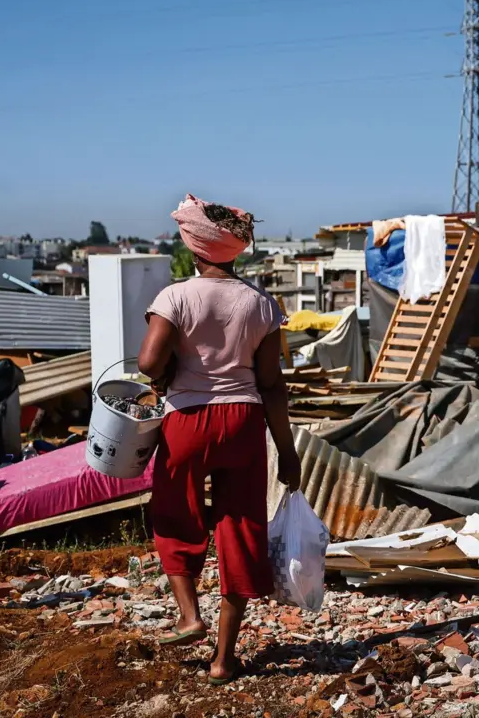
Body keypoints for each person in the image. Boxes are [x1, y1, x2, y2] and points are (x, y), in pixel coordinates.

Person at [137, 194, 302, 685]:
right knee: (240, 528)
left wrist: (164, 373)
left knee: (175, 512)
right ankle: (224, 659)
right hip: (244, 423)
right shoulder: (261, 304)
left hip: (187, 421)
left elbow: (148, 363)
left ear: (193, 248)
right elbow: (272, 385)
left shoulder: (175, 296)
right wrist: (287, 453)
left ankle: (189, 615)